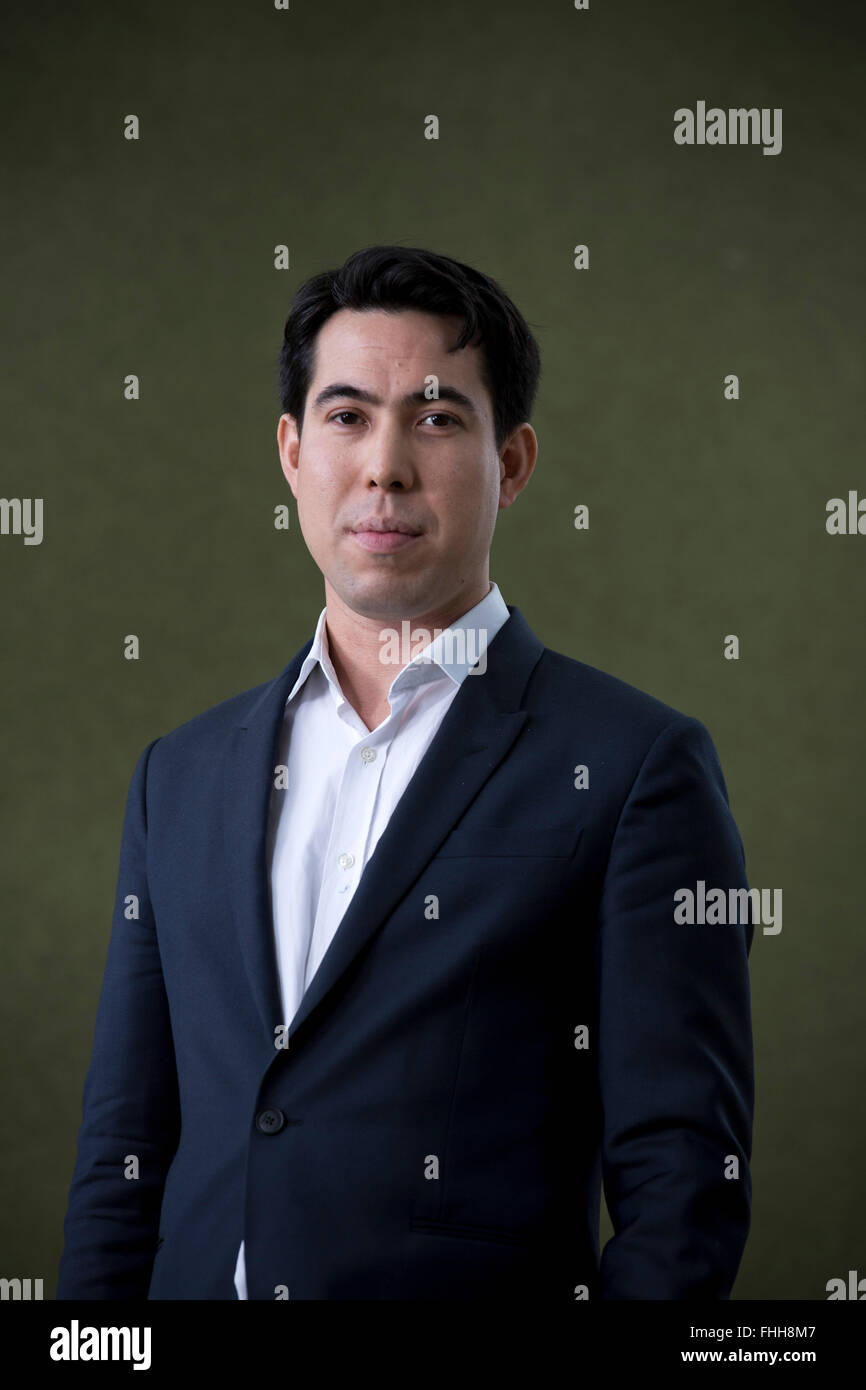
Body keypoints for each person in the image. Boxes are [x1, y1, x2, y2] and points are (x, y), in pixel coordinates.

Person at [57, 244, 754, 1301]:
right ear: (291, 451)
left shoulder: (630, 766)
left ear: (510, 463)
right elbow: (123, 1157)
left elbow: (682, 1183)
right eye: (344, 416)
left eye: (434, 417)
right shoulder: (180, 778)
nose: (383, 464)